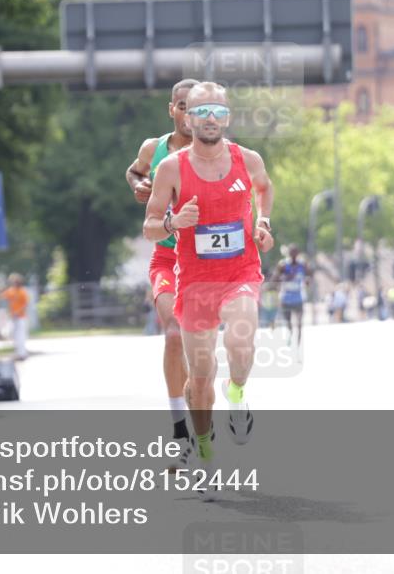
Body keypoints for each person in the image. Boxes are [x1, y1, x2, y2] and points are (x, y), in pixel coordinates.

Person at [143, 81, 274, 501]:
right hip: (195, 281)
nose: (210, 118)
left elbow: (264, 189)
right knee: (200, 379)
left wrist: (263, 223)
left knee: (241, 341)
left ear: (228, 117)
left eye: (217, 110)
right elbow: (149, 226)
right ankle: (205, 455)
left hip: (240, 272)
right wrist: (173, 223)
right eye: (201, 112)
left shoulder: (247, 159)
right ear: (186, 118)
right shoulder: (172, 168)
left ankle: (237, 394)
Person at [126, 77, 199, 469]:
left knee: (199, 346)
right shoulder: (153, 149)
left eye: (197, 106)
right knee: (173, 333)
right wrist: (140, 184)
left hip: (207, 263)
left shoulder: (215, 152)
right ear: (171, 110)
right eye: (183, 106)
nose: (190, 114)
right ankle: (180, 432)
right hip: (168, 257)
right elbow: (133, 171)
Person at [272, 245, 309, 348]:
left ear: (298, 253)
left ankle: (298, 344)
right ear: (288, 253)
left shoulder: (302, 265)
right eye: (291, 253)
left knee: (300, 323)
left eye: (295, 253)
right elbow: (275, 278)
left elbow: (309, 276)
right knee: (288, 322)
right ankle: (290, 333)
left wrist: (307, 281)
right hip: (286, 298)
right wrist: (284, 277)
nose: (293, 255)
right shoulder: (283, 265)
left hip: (298, 298)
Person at [0, 273, 29, 361]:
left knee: (21, 335)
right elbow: (1, 296)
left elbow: (25, 304)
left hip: (21, 316)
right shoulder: (11, 290)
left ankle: (22, 353)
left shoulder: (22, 291)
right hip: (13, 317)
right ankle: (19, 352)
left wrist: (18, 311)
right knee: (14, 335)